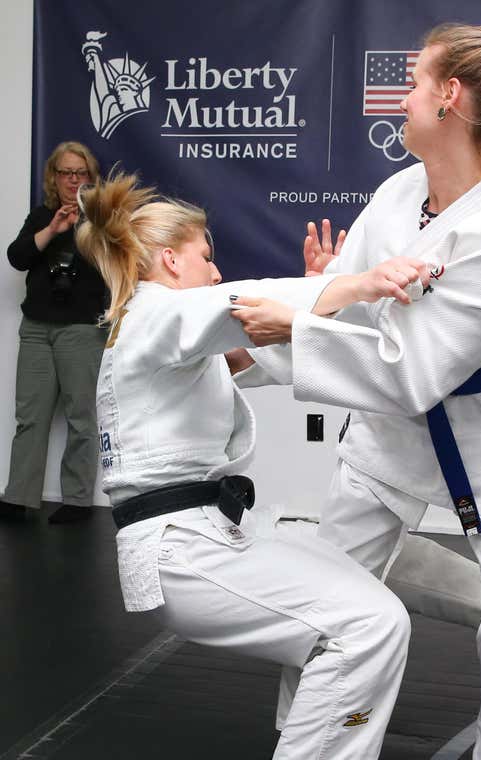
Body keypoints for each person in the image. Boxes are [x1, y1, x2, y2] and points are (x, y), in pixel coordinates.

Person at [228, 12, 481, 759]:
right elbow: (354, 302)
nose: (398, 96)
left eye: (410, 81)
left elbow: (407, 370)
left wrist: (295, 326)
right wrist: (300, 315)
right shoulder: (401, 192)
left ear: (450, 96)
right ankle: (304, 740)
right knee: (323, 600)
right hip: (390, 439)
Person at [73, 171, 436, 760]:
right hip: (182, 548)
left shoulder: (158, 334)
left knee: (350, 577)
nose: (214, 270)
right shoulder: (156, 314)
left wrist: (320, 301)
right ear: (168, 260)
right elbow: (237, 301)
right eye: (205, 257)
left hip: (201, 537)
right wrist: (357, 283)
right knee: (369, 626)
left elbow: (265, 354)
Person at [1, 141, 108, 524]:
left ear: (90, 178)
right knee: (30, 417)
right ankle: (18, 496)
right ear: (54, 176)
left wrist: (85, 227)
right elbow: (18, 257)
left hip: (82, 329)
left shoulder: (102, 218)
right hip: (36, 330)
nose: (72, 180)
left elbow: (120, 265)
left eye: (80, 173)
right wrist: (53, 228)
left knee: (82, 417)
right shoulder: (42, 215)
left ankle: (78, 501)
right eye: (66, 173)